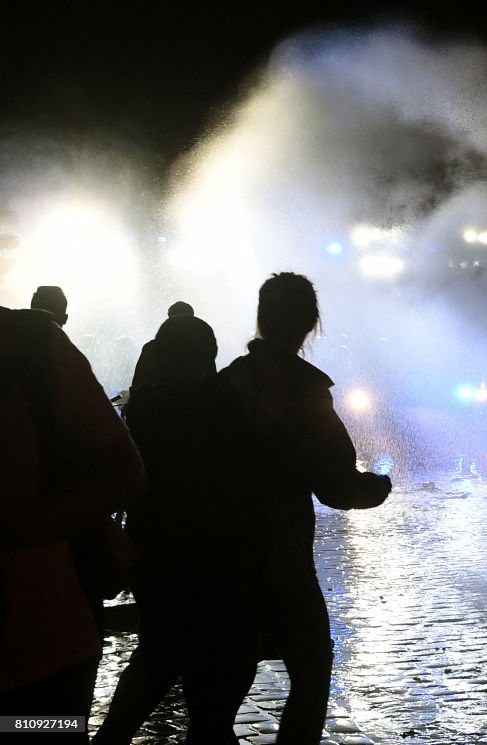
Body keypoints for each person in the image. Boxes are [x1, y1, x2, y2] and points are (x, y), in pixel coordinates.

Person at [215, 272, 392, 744]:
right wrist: (378, 486)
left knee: (224, 685)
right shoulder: (305, 388)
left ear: (262, 319)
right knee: (311, 669)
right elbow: (336, 486)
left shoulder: (228, 382)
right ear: (312, 322)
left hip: (222, 555)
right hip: (283, 556)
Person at [0, 306, 145, 742]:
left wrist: (17, 530)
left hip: (37, 640)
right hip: (41, 640)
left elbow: (122, 472)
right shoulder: (30, 344)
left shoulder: (29, 345)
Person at [93, 315, 223, 744]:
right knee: (174, 660)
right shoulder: (206, 411)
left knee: (163, 655)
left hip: (154, 549)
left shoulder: (142, 409)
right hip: (194, 555)